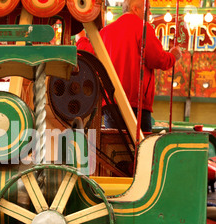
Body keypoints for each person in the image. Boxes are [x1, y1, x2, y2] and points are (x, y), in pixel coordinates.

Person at [77, 0, 182, 132]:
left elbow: (86, 53)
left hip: (111, 104)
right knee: (140, 150)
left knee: (114, 146)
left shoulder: (105, 32)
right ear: (135, 9)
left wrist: (80, 35)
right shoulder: (143, 28)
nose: (150, 13)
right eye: (147, 9)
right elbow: (158, 59)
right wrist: (173, 56)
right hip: (136, 105)